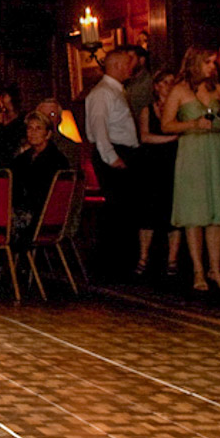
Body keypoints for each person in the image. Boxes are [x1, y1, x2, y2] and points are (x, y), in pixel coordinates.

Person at [161, 47, 220, 292]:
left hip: (216, 149)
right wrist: (193, 123)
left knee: (216, 212)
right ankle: (198, 270)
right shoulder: (179, 90)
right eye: (208, 62)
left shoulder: (218, 89)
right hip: (192, 150)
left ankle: (215, 268)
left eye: (214, 62)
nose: (212, 67)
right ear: (195, 63)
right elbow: (166, 125)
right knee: (195, 212)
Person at [84, 47, 140, 275]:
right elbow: (99, 129)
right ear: (117, 66)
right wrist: (112, 158)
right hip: (114, 155)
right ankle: (110, 266)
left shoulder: (115, 90)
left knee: (124, 212)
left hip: (121, 153)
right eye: (128, 64)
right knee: (116, 211)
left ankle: (121, 264)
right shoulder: (102, 92)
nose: (131, 68)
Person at [134, 68, 181, 276]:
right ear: (156, 86)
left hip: (175, 163)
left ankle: (173, 259)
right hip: (153, 164)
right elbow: (144, 137)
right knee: (148, 213)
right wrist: (170, 139)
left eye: (172, 82)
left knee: (175, 212)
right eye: (164, 82)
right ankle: (143, 257)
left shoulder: (180, 109)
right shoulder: (148, 110)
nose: (168, 86)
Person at [9, 113, 70, 226]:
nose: (33, 132)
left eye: (38, 128)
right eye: (30, 128)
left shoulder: (57, 160)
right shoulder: (22, 159)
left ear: (48, 134)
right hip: (21, 209)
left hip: (43, 214)